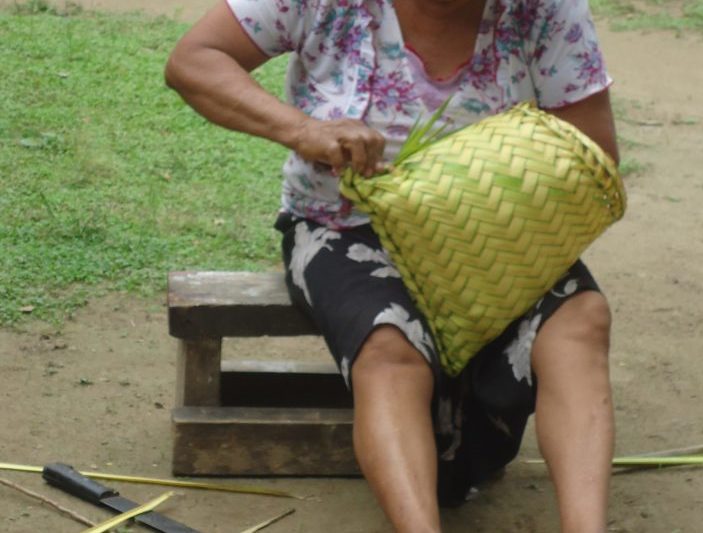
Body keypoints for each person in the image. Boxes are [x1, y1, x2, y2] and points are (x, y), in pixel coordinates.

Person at [166, 1, 620, 531]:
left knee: (581, 319)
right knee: (387, 344)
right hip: (345, 227)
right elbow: (194, 60)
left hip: (496, 234)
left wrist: (467, 195)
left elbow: (593, 152)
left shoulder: (543, 9)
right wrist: (303, 129)